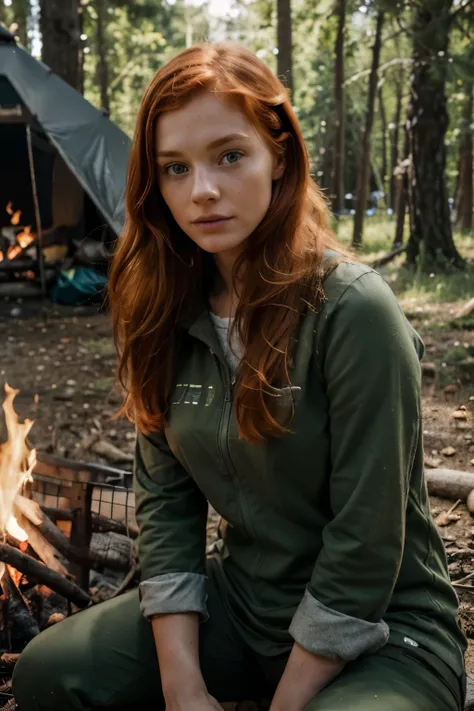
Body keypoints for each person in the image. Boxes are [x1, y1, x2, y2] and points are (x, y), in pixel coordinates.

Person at [13, 42, 466, 711]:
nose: (202, 190)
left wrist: (286, 701)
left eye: (230, 155)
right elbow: (167, 507)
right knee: (48, 673)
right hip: (244, 606)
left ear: (278, 154)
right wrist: (184, 686)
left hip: (384, 628)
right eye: (175, 167)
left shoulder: (354, 312)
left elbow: (367, 537)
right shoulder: (164, 309)